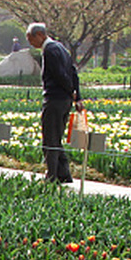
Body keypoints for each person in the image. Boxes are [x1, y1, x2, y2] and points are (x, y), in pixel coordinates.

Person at [27, 23, 79, 184]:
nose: (30, 43)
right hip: (65, 101)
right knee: (56, 137)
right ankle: (63, 174)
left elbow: (60, 75)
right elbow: (73, 72)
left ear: (40, 35)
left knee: (49, 138)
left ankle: (52, 176)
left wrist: (70, 90)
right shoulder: (61, 48)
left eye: (30, 38)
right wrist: (77, 96)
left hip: (55, 99)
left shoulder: (50, 50)